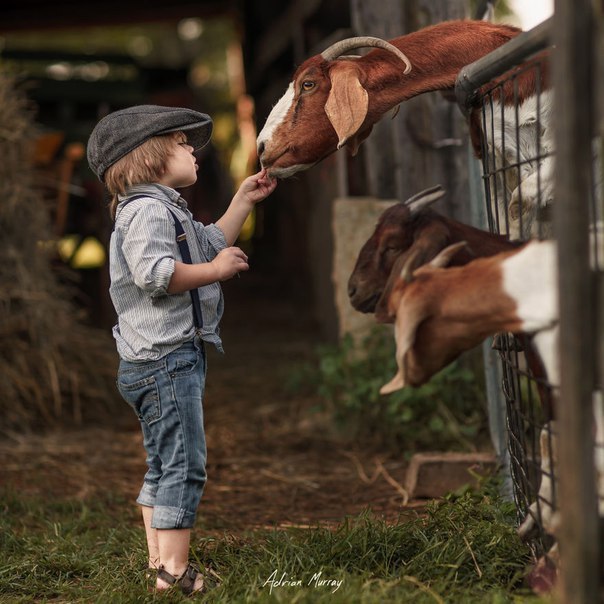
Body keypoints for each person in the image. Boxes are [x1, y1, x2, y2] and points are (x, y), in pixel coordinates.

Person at [86, 105, 277, 595]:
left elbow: (209, 241)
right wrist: (215, 271)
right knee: (185, 464)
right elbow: (157, 275)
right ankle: (173, 575)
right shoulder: (148, 212)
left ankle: (159, 562)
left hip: (156, 361)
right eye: (181, 142)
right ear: (148, 157)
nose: (193, 149)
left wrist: (243, 200)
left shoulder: (163, 209)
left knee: (163, 461)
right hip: (165, 363)